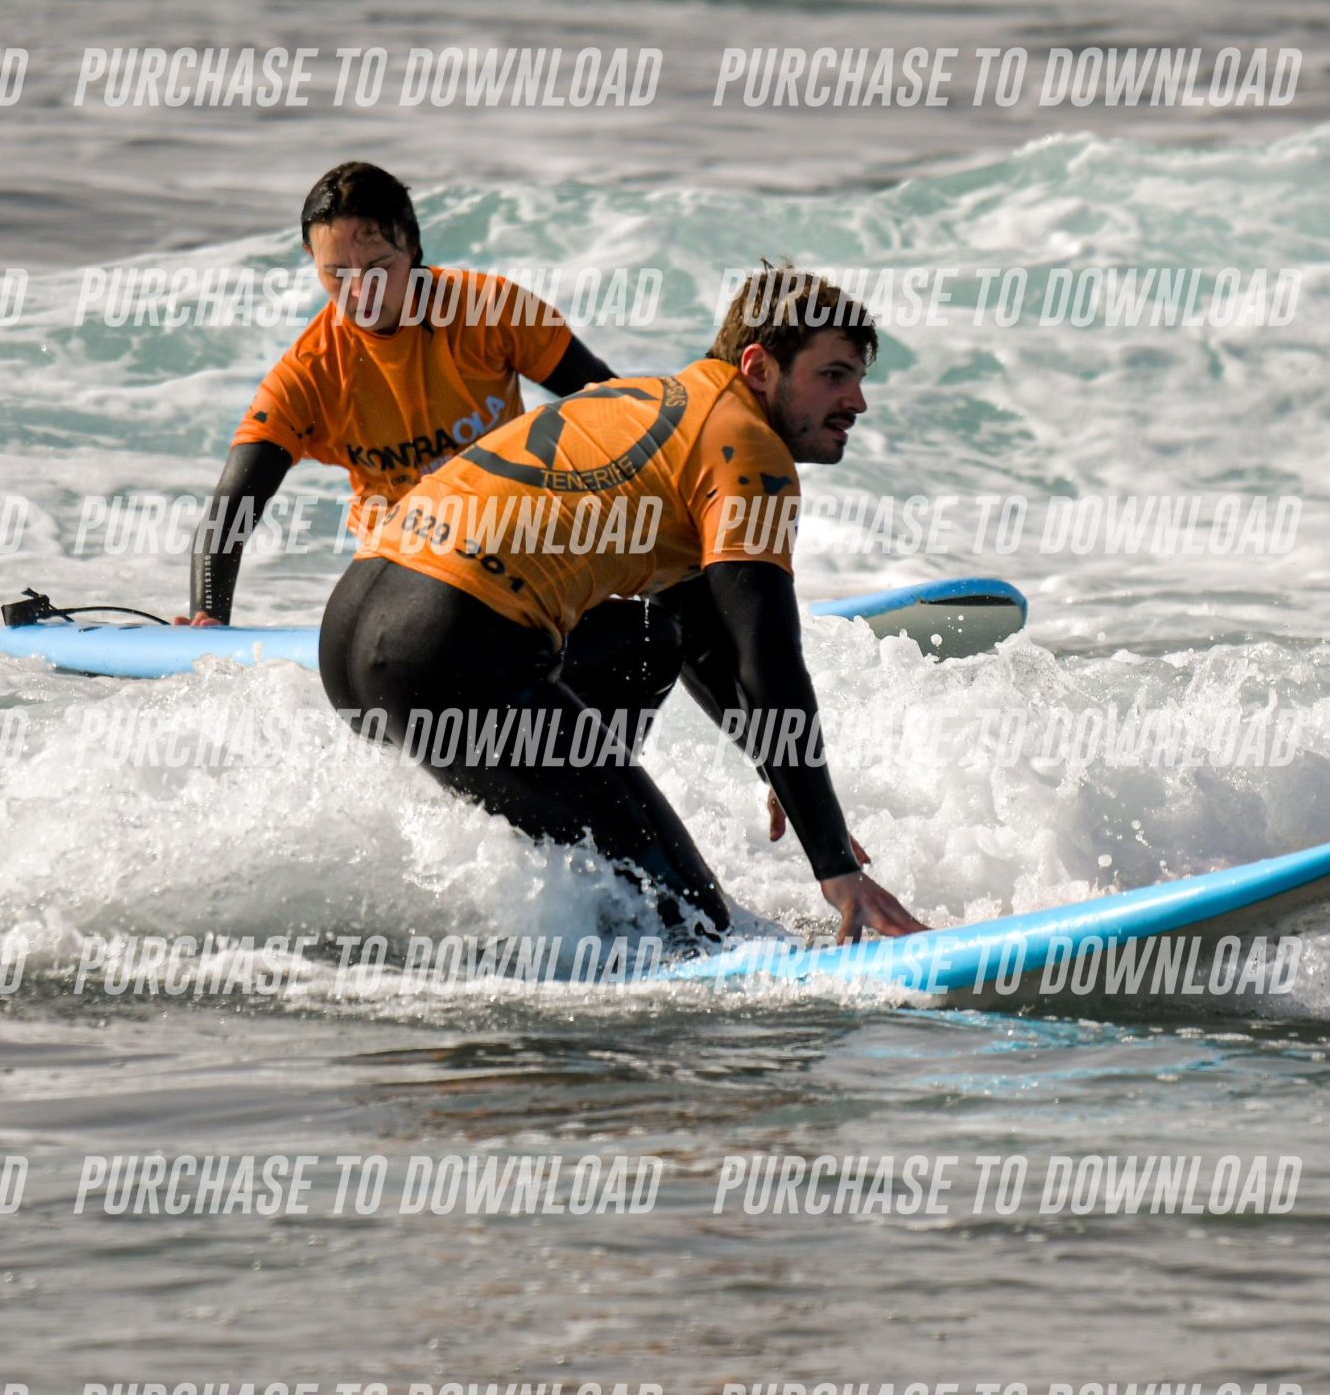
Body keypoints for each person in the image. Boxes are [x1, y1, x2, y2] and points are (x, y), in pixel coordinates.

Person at [319, 266, 929, 950]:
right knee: (698, 923)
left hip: (354, 636)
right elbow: (769, 665)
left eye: (858, 379)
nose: (856, 401)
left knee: (647, 641)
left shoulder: (656, 407)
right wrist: (836, 868)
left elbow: (702, 640)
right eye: (834, 376)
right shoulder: (748, 449)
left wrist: (779, 773)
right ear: (759, 367)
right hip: (445, 651)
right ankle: (634, 894)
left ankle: (588, 878)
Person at [181, 160, 617, 626]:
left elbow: (614, 409)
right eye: (337, 273)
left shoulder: (488, 310)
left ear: (412, 246)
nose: (360, 292)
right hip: (399, 566)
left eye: (378, 267)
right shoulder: (309, 374)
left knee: (643, 631)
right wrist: (208, 617)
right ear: (312, 260)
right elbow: (229, 515)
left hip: (508, 543)